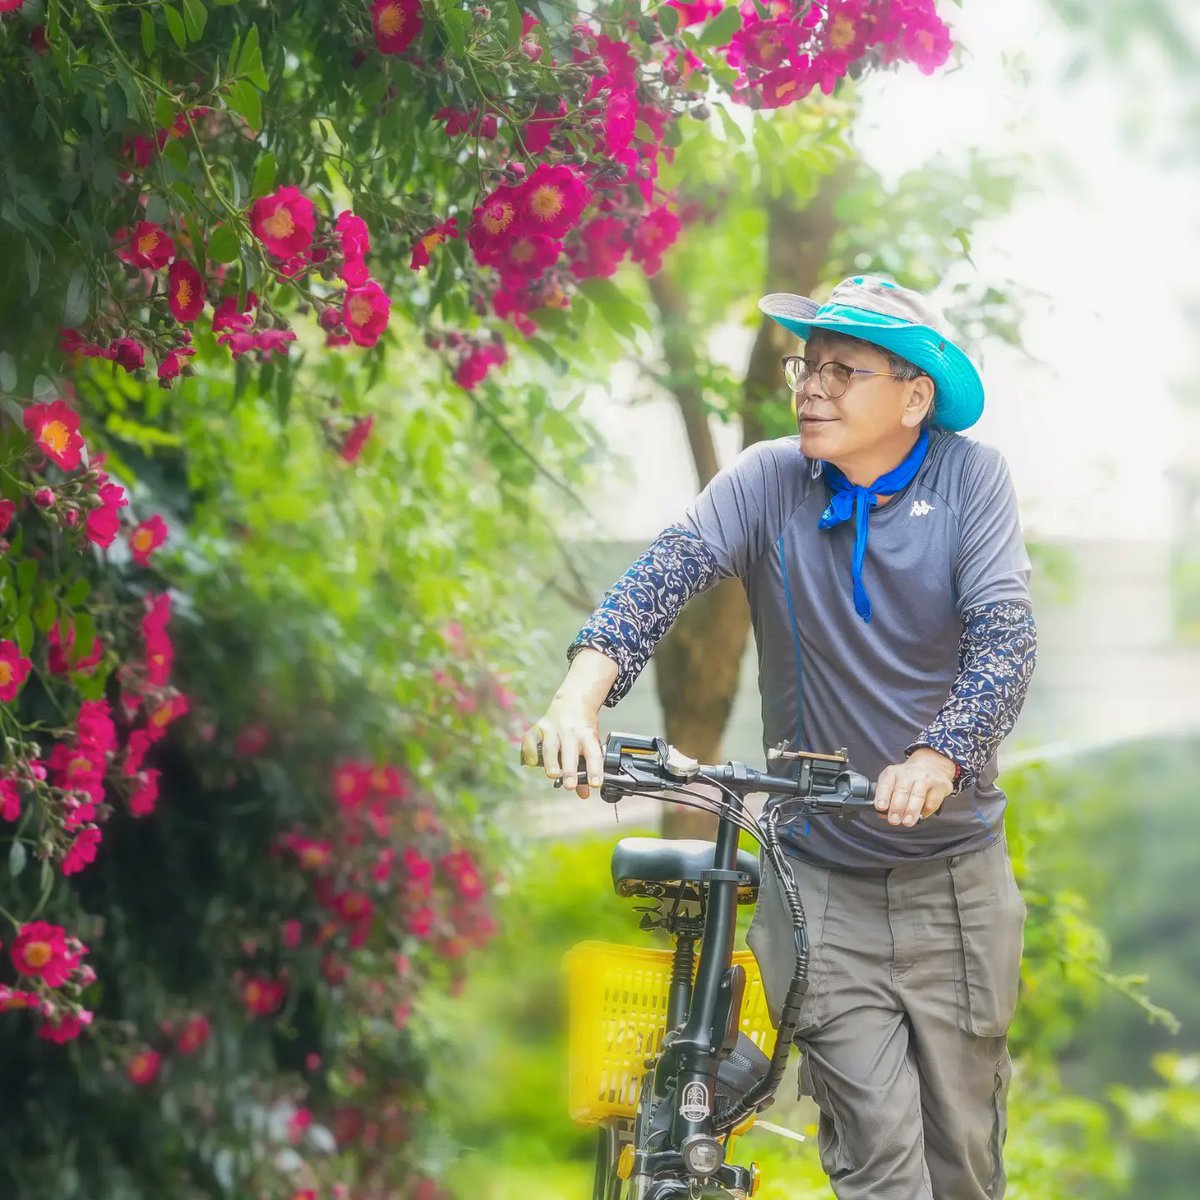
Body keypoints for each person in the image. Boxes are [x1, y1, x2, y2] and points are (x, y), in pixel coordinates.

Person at [521, 274, 1037, 1199]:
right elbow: (662, 575)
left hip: (955, 882)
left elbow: (1005, 638)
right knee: (878, 1162)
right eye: (809, 366)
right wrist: (576, 699)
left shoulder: (972, 480)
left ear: (914, 398)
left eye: (845, 370)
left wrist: (940, 754)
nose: (813, 388)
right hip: (820, 884)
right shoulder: (770, 479)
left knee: (962, 1161)